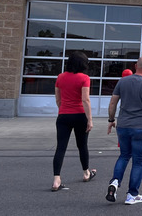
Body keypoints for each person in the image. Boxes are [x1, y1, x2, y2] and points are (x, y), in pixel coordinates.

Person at [106, 56, 142, 205]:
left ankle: (115, 182)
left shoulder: (122, 82)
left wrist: (111, 120)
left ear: (135, 66)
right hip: (139, 127)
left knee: (124, 155)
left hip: (123, 125)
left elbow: (113, 102)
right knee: (138, 161)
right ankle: (132, 195)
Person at [51, 51, 95, 191]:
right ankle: (86, 173)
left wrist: (63, 109)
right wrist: (90, 119)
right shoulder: (84, 78)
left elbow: (58, 99)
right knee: (82, 146)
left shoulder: (60, 77)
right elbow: (85, 100)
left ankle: (56, 180)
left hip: (64, 115)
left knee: (61, 147)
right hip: (80, 115)